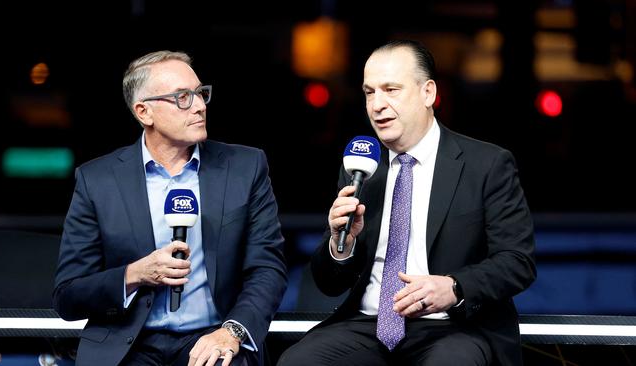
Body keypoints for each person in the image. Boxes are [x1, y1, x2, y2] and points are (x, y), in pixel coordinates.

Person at [278, 40, 536, 366]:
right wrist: (341, 245)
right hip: (367, 324)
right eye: (369, 92)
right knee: (298, 361)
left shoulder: (486, 164)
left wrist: (454, 287)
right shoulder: (361, 169)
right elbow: (330, 284)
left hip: (453, 328)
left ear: (428, 93)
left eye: (391, 90)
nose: (377, 105)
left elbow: (517, 262)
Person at [53, 50, 287, 366]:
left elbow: (267, 269)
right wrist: (134, 275)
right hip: (127, 345)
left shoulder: (245, 168)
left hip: (211, 339)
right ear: (143, 112)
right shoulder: (97, 180)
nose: (200, 106)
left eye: (201, 94)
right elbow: (69, 296)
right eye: (182, 97)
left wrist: (231, 333)